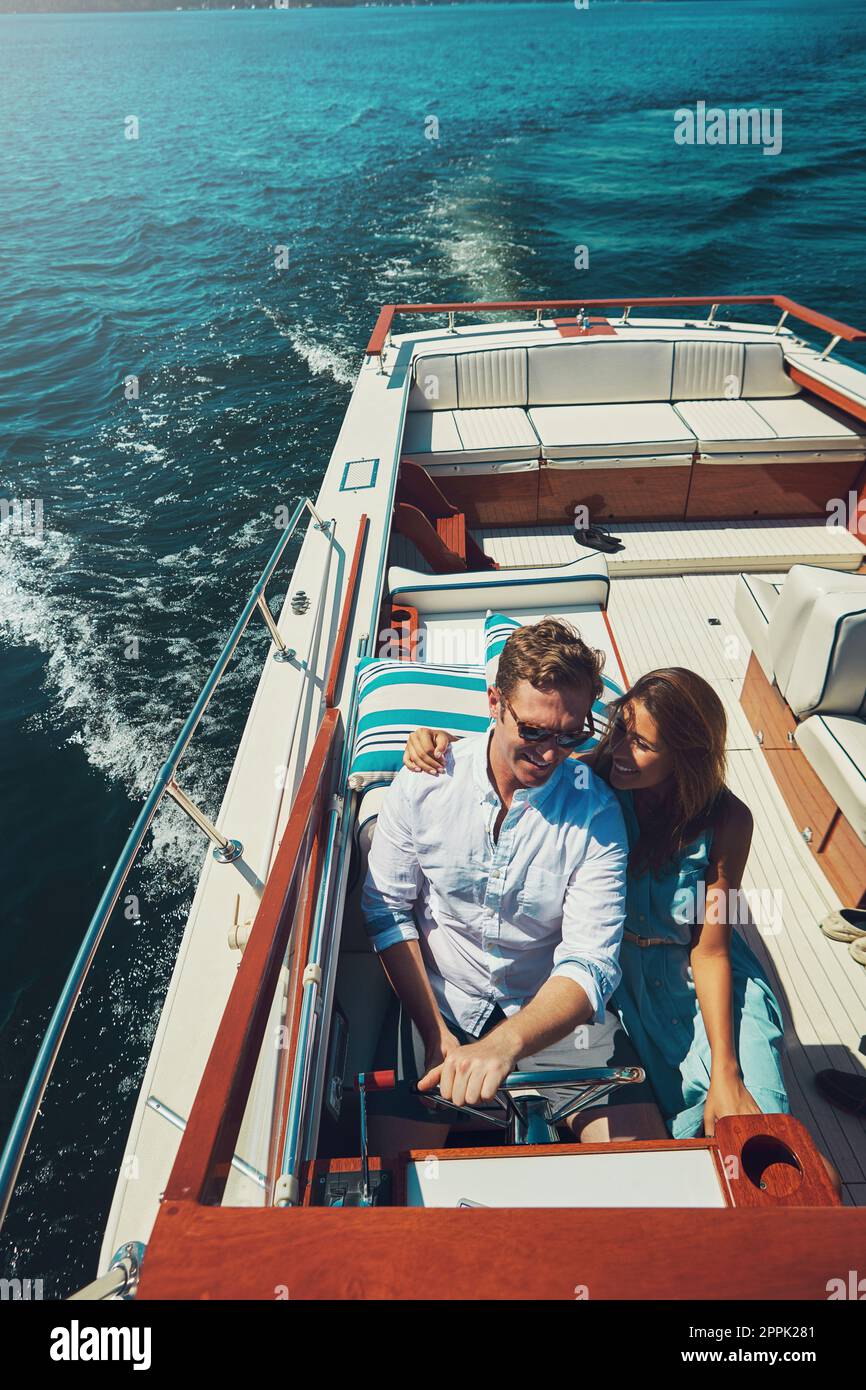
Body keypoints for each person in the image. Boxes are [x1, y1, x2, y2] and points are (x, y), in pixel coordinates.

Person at [403, 666, 793, 1143]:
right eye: (621, 729)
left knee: (757, 1132)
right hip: (624, 983)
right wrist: (437, 743)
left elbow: (711, 949)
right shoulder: (590, 779)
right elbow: (512, 751)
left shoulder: (731, 820)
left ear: (687, 758)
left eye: (644, 745)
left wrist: (726, 1071)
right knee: (678, 1140)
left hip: (705, 980)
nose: (622, 752)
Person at [361, 619, 667, 1157]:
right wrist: (435, 1035)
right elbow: (388, 910)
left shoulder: (597, 814)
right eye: (534, 732)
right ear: (494, 704)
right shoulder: (422, 784)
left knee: (647, 1174)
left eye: (571, 736)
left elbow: (589, 963)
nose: (551, 754)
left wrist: (503, 1047)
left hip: (553, 1012)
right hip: (442, 1003)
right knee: (389, 1188)